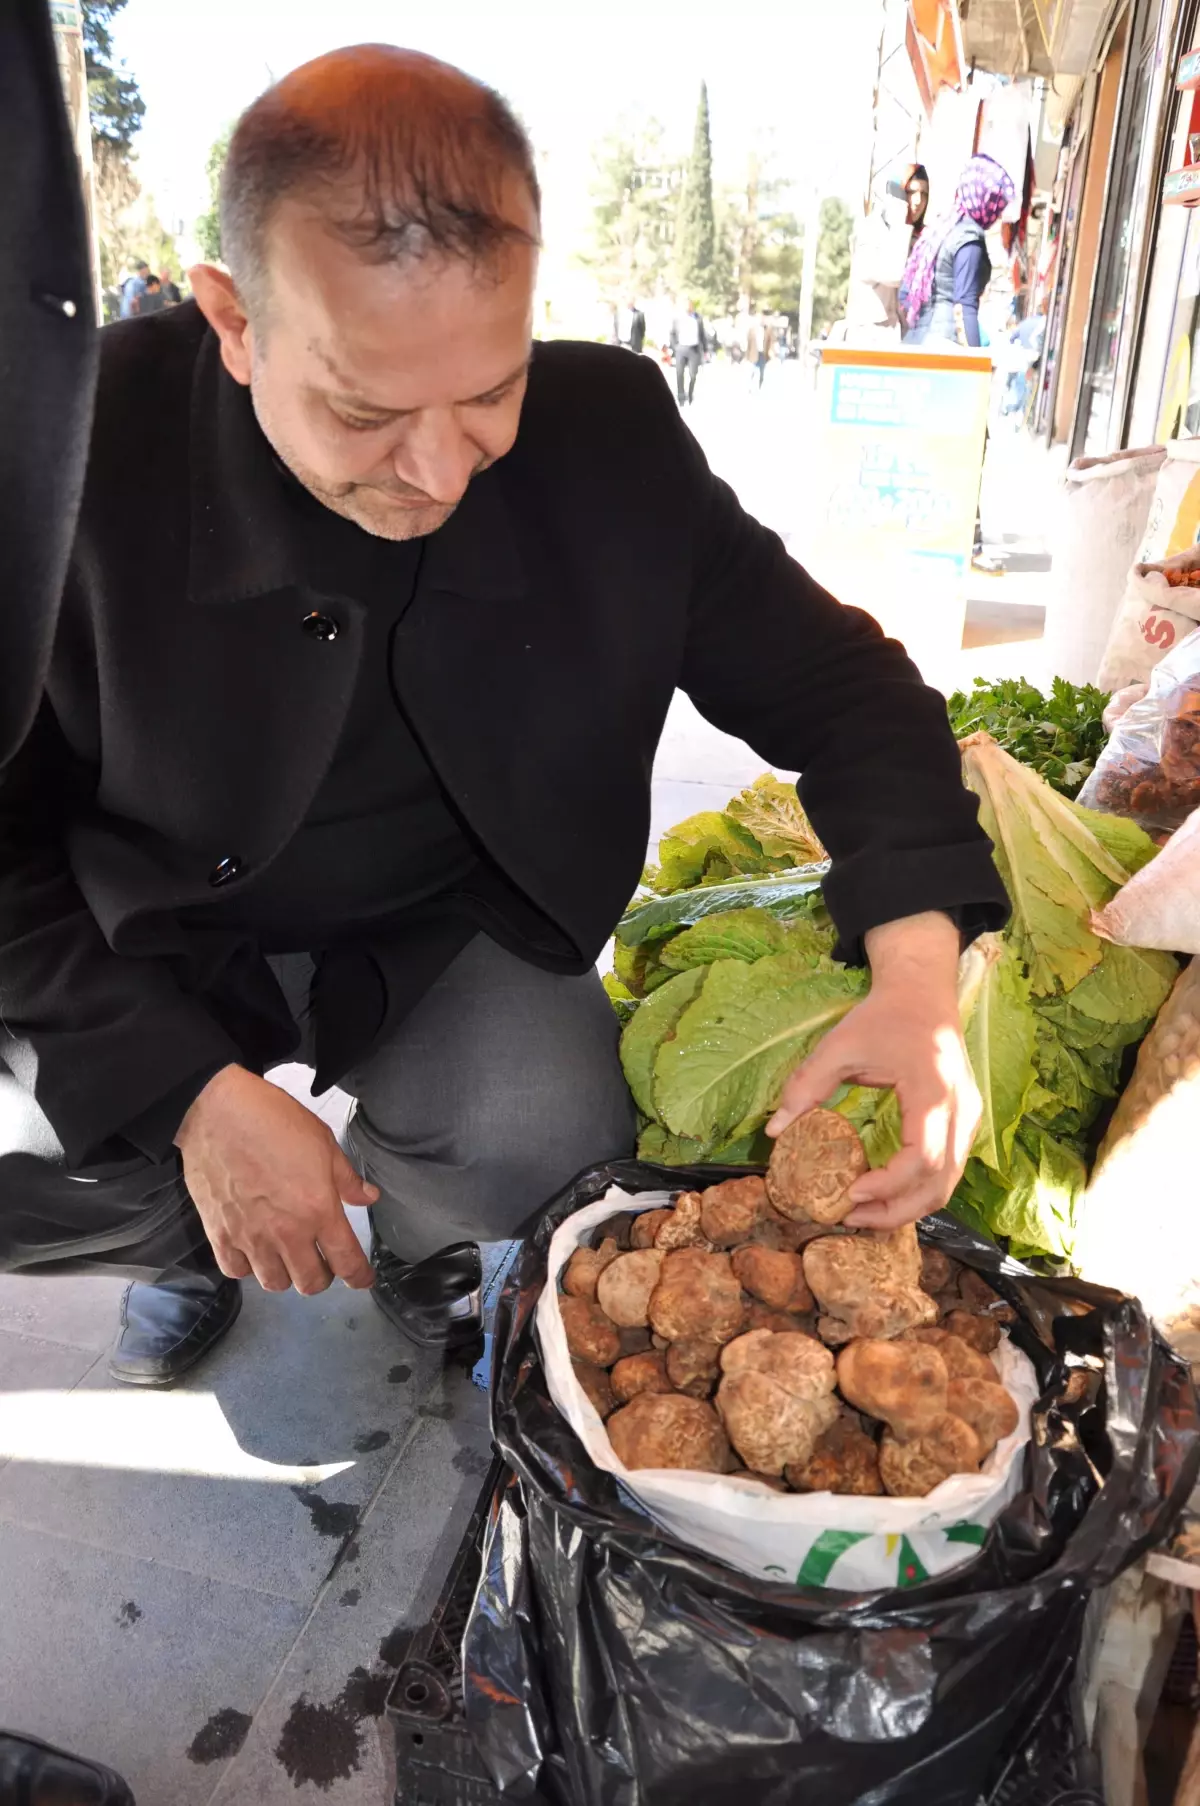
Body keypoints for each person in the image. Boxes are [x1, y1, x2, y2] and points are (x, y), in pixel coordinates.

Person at [0, 45, 1006, 1394]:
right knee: (61, 1141)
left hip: (433, 928)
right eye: (364, 410)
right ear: (235, 322)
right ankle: (186, 1239)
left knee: (549, 1127)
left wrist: (920, 981)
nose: (436, 471)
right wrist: (184, 1092)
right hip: (140, 925)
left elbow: (845, 687)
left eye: (489, 395)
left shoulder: (615, 438)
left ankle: (420, 1237)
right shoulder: (75, 448)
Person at [900, 154, 1015, 348]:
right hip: (944, 344)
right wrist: (975, 361)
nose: (998, 212)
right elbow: (964, 306)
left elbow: (905, 294)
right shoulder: (969, 237)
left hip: (915, 338)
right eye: (996, 202)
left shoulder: (941, 227)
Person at [671, 299, 707, 405]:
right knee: (679, 373)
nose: (688, 308)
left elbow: (702, 334)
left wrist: (705, 349)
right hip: (681, 348)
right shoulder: (678, 318)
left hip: (694, 349)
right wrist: (675, 347)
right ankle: (681, 396)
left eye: (689, 306)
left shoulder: (698, 318)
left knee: (693, 374)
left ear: (692, 307)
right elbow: (672, 333)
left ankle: (690, 394)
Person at [904, 163, 930, 257]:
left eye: (923, 194)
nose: (918, 201)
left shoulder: (928, 239)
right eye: (912, 192)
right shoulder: (884, 233)